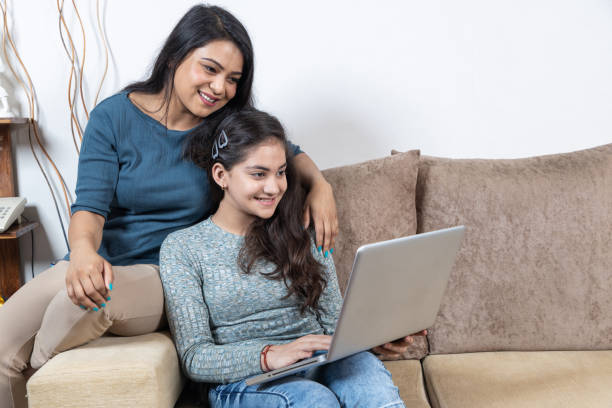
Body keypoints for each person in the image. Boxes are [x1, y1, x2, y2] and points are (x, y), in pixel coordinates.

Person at [0, 5, 340, 408]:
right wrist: (84, 254)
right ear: (176, 56)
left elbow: (287, 153)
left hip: (164, 274)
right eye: (209, 69)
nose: (220, 87)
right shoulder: (113, 116)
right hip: (98, 257)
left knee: (84, 302)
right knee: (3, 346)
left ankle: (41, 371)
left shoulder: (228, 126)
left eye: (233, 79)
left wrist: (320, 185)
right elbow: (89, 206)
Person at [160, 109, 422, 408]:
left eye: (281, 172)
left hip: (322, 361)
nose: (274, 188)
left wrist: (375, 340)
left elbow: (335, 325)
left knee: (372, 389)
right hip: (246, 381)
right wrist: (271, 355)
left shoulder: (300, 233)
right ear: (221, 175)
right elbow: (195, 357)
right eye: (258, 174)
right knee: (314, 400)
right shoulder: (183, 248)